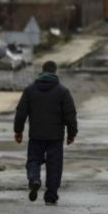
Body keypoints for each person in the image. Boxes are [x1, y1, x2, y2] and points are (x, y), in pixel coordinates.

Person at [14, 60, 78, 206]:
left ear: (42, 71)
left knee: (33, 160)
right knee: (54, 165)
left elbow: (21, 113)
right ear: (55, 72)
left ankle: (34, 179)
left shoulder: (30, 90)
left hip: (36, 135)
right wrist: (72, 133)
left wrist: (18, 131)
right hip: (55, 137)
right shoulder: (63, 91)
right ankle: (51, 196)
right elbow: (70, 114)